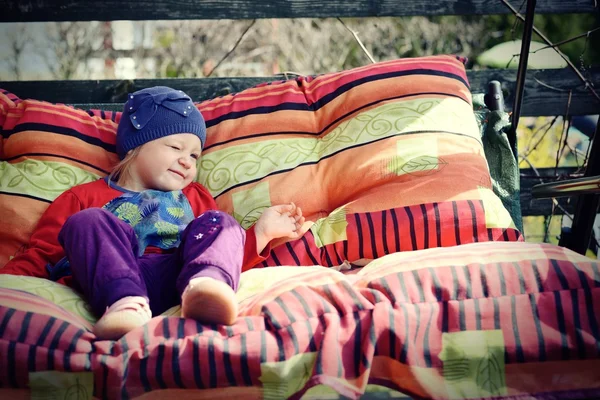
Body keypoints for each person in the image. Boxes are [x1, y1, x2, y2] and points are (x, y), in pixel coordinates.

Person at [0, 86, 305, 340]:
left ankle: (208, 287)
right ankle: (124, 304)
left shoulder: (195, 196)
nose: (187, 161)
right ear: (136, 146)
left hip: (178, 274)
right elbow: (42, 254)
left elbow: (218, 246)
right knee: (86, 222)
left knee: (218, 222)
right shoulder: (85, 196)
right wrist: (8, 284)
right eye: (175, 147)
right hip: (110, 276)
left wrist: (261, 234)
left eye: (194, 155)